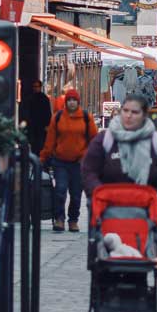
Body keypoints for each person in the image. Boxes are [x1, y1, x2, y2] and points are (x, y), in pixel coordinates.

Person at [80, 94, 157, 201]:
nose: (128, 115)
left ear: (145, 115)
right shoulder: (105, 139)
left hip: (147, 210)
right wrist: (98, 194)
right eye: (125, 110)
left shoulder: (156, 141)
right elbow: (88, 170)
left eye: (135, 112)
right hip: (108, 209)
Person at [40, 89, 100, 233]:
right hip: (60, 161)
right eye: (69, 100)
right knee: (60, 190)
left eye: (74, 100)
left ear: (78, 102)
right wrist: (44, 156)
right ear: (66, 102)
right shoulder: (58, 117)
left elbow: (94, 140)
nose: (71, 102)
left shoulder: (86, 118)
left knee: (76, 194)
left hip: (79, 163)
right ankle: (59, 218)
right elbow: (50, 140)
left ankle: (73, 220)